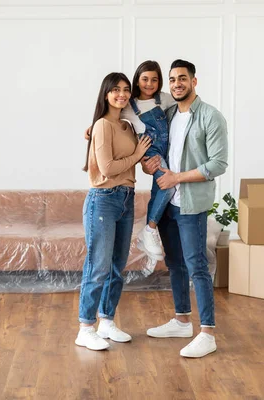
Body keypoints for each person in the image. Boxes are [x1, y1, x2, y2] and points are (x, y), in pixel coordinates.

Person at [143, 59, 228, 358]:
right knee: (175, 264)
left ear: (194, 81)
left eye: (182, 78)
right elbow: (149, 146)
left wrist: (177, 177)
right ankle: (181, 321)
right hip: (167, 203)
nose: (177, 83)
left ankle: (208, 333)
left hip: (191, 204)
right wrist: (148, 164)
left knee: (197, 267)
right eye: (173, 79)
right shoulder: (166, 115)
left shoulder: (210, 116)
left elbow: (218, 164)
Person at [76, 72, 152, 351]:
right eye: (115, 90)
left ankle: (106, 321)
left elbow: (136, 160)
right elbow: (107, 169)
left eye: (125, 90)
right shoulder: (102, 125)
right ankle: (85, 327)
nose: (121, 94)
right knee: (99, 266)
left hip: (126, 198)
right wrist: (136, 156)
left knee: (117, 266)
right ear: (105, 94)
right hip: (103, 199)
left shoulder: (127, 126)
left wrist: (141, 158)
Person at [121, 60, 177, 264]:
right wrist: (91, 129)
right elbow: (106, 117)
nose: (149, 83)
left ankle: (149, 235)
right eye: (145, 79)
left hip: (168, 150)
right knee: (167, 186)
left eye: (154, 79)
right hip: (149, 149)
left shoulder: (165, 99)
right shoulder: (128, 106)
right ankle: (149, 229)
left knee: (160, 189)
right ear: (137, 80)